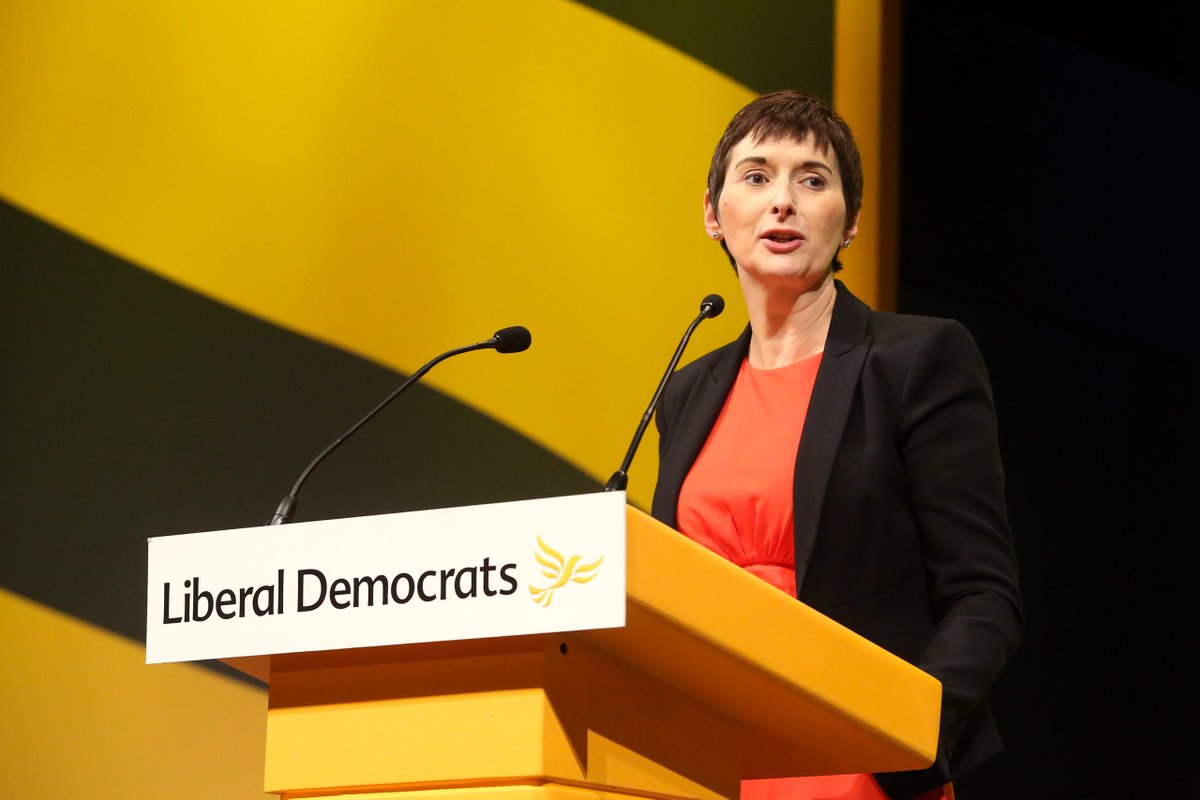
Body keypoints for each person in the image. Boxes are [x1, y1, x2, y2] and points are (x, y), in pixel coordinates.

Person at [650, 90, 1022, 799]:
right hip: (705, 764)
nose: (782, 202)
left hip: (857, 768)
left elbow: (984, 595)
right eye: (756, 177)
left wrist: (903, 739)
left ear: (850, 221)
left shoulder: (916, 360)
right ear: (712, 213)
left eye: (812, 180)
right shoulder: (687, 392)